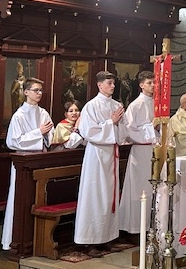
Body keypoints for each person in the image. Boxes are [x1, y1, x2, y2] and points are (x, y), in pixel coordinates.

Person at [74, 71, 126, 257]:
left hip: (111, 154)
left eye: (113, 83)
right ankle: (90, 241)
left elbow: (123, 130)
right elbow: (88, 131)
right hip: (96, 156)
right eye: (109, 83)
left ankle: (108, 237)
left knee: (109, 197)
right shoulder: (91, 106)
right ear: (99, 85)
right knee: (94, 196)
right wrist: (110, 123)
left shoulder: (116, 105)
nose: (113, 86)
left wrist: (117, 124)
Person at [1, 78, 54, 251]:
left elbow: (50, 137)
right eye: (36, 90)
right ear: (26, 92)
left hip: (40, 160)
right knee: (21, 200)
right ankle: (16, 240)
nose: (39, 93)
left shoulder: (44, 113)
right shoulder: (19, 116)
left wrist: (45, 136)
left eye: (40, 91)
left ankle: (36, 240)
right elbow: (13, 142)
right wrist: (39, 132)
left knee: (38, 200)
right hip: (23, 163)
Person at [119, 71, 159, 235]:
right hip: (141, 151)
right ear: (141, 84)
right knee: (139, 188)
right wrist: (151, 127)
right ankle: (135, 227)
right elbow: (127, 131)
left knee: (154, 187)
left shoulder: (157, 104)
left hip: (155, 149)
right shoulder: (135, 105)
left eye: (154, 83)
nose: (153, 86)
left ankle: (153, 224)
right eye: (149, 83)